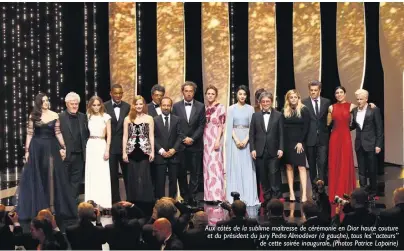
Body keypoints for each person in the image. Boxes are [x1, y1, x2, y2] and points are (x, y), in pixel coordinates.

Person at [16, 93, 77, 220]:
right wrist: (27, 151)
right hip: (36, 147)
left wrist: (64, 146)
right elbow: (29, 133)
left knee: (52, 175)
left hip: (51, 146)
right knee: (38, 176)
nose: (46, 102)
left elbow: (58, 132)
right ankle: (40, 208)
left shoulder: (54, 115)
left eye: (47, 100)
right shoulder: (33, 115)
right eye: (43, 101)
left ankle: (54, 207)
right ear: (39, 102)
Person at [225, 85, 259, 206]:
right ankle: (235, 196)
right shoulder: (231, 109)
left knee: (247, 167)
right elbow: (229, 126)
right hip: (235, 141)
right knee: (236, 166)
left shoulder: (250, 109)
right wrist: (236, 140)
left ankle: (248, 195)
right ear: (236, 95)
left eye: (244, 94)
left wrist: (245, 140)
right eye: (240, 94)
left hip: (247, 140)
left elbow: (252, 126)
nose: (242, 96)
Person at [172, 81, 206, 205]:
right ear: (183, 92)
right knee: (181, 172)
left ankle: (193, 196)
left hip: (195, 144)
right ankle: (185, 196)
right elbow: (176, 125)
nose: (188, 93)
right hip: (181, 145)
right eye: (186, 91)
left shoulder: (201, 106)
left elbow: (202, 125)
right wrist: (183, 138)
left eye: (190, 91)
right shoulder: (176, 106)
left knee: (195, 172)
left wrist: (192, 138)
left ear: (194, 92)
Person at [249, 91, 284, 206]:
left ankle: (275, 199)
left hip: (274, 150)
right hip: (259, 150)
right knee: (263, 175)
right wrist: (252, 149)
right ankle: (267, 198)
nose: (265, 103)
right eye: (263, 101)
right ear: (260, 102)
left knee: (274, 175)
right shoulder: (255, 115)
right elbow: (252, 134)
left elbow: (281, 134)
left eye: (267, 101)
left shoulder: (278, 115)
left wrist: (281, 148)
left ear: (271, 102)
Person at [123, 96, 155, 206]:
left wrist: (152, 151)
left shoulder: (149, 118)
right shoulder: (127, 119)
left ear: (144, 105)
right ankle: (132, 201)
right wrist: (124, 152)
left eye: (141, 104)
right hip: (131, 151)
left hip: (145, 150)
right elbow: (125, 136)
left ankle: (146, 202)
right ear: (133, 105)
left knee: (144, 176)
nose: (139, 106)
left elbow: (151, 136)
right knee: (132, 177)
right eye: (136, 104)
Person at [351, 89, 383, 197]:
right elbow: (353, 125)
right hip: (359, 143)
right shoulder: (355, 110)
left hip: (371, 143)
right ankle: (363, 191)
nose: (359, 101)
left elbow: (379, 128)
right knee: (361, 169)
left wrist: (378, 144)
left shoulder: (373, 110)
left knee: (372, 168)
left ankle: (374, 190)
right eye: (357, 99)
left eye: (361, 99)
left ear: (366, 99)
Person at [327, 86, 357, 204]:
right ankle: (334, 192)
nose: (339, 94)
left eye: (341, 92)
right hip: (334, 137)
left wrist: (371, 105)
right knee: (335, 163)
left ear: (345, 94)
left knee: (345, 162)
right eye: (337, 93)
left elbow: (363, 109)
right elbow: (328, 123)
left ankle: (345, 191)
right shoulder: (331, 107)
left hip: (345, 137)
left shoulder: (352, 106)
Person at [59, 92, 89, 204]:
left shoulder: (83, 117)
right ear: (67, 104)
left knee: (76, 181)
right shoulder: (60, 117)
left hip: (80, 154)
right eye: (72, 104)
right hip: (65, 154)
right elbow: (56, 135)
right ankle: (63, 203)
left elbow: (86, 135)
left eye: (76, 104)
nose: (75, 106)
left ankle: (73, 203)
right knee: (64, 180)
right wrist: (60, 149)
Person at [84, 96, 112, 209]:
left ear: (101, 105)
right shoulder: (88, 117)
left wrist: (107, 150)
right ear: (90, 106)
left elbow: (109, 135)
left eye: (98, 105)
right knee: (91, 173)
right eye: (94, 105)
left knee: (102, 174)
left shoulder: (106, 117)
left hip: (101, 144)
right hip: (90, 144)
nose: (96, 107)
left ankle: (104, 203)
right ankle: (91, 203)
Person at [104, 84, 131, 204]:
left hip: (125, 146)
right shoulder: (104, 106)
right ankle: (115, 201)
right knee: (112, 175)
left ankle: (130, 199)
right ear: (111, 93)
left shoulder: (128, 107)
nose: (118, 95)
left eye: (120, 93)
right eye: (116, 93)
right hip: (110, 146)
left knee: (129, 174)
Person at [282, 90, 309, 202]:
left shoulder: (304, 110)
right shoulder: (284, 111)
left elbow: (306, 127)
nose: (293, 99)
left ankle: (304, 194)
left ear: (298, 98)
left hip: (299, 142)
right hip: (287, 142)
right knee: (289, 167)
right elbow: (282, 128)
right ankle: (292, 193)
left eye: (295, 97)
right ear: (288, 99)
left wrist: (300, 141)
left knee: (301, 167)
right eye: (291, 97)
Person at [154, 97, 184, 199]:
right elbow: (152, 137)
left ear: (171, 106)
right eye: (164, 105)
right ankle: (161, 202)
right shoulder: (155, 120)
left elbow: (180, 135)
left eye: (168, 105)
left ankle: (172, 202)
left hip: (174, 155)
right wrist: (161, 150)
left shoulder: (177, 119)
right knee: (159, 181)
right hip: (160, 155)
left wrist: (174, 149)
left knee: (173, 180)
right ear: (160, 106)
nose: (166, 107)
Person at [302, 80, 331, 185]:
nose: (313, 92)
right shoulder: (304, 103)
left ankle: (322, 186)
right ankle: (314, 188)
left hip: (323, 138)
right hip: (310, 138)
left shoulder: (326, 102)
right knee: (312, 164)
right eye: (311, 90)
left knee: (322, 163)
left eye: (315, 90)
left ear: (320, 90)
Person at [203, 85, 226, 202]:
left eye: (212, 94)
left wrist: (218, 140)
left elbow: (221, 125)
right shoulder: (205, 108)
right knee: (207, 167)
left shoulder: (220, 107)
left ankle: (217, 195)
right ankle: (208, 196)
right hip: (205, 140)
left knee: (216, 166)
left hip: (215, 139)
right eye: (208, 94)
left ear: (216, 95)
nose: (210, 95)